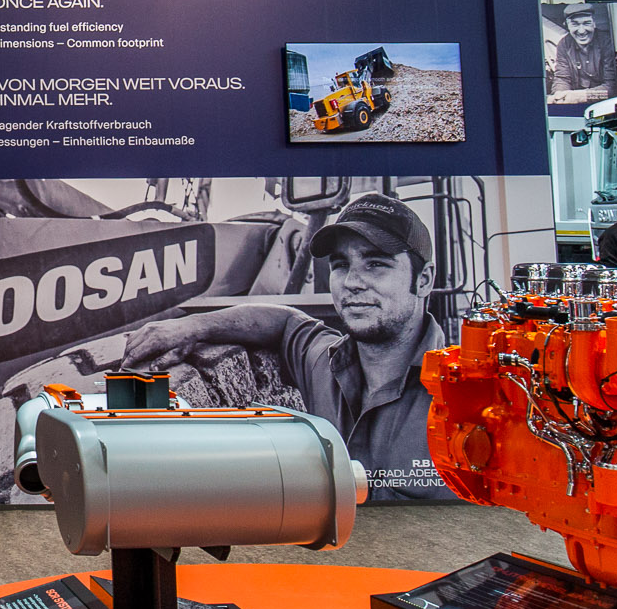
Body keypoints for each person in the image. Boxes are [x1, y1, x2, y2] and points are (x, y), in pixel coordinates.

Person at [116, 193, 451, 499]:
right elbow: (284, 321)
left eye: (376, 264)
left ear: (423, 280)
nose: (352, 282)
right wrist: (191, 327)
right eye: (341, 265)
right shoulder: (324, 362)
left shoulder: (462, 396)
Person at [547, 3, 617, 104]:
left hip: (604, 104)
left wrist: (581, 96)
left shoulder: (607, 42)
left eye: (586, 23)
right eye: (575, 24)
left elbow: (612, 87)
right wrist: (559, 96)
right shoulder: (564, 44)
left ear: (594, 23)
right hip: (575, 104)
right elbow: (562, 78)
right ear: (567, 25)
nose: (581, 31)